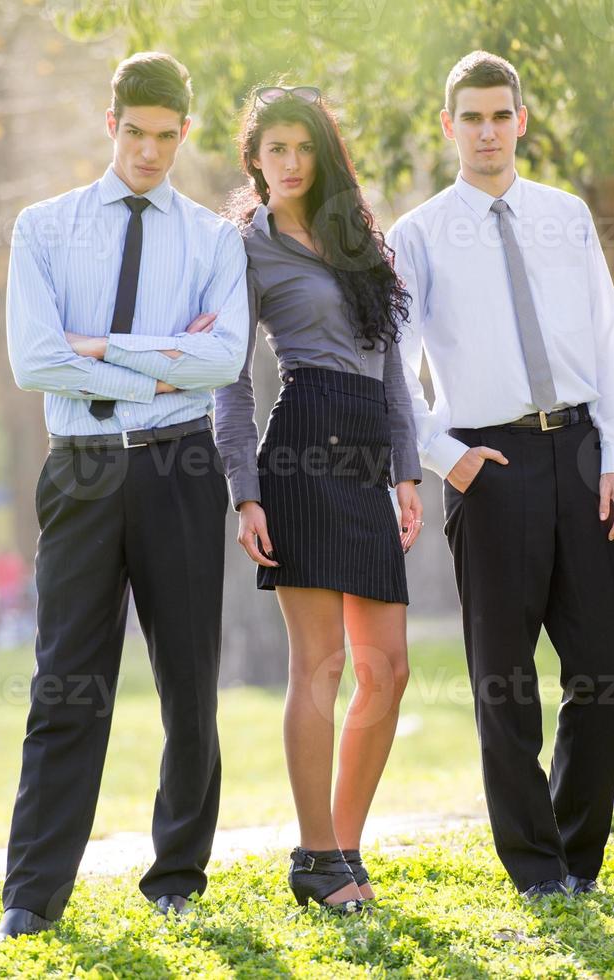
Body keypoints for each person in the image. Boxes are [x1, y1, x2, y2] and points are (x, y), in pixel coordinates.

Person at [0, 52, 248, 940]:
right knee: (66, 683)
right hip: (84, 467)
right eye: (135, 133)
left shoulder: (214, 240)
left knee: (189, 683)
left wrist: (99, 350)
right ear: (111, 126)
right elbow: (35, 359)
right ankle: (31, 896)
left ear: (186, 133)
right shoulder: (45, 228)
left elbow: (224, 362)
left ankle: (177, 876)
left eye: (166, 137)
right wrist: (160, 358)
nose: (149, 152)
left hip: (180, 469)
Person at [389, 51, 614, 899]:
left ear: (521, 121)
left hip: (580, 453)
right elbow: (396, 365)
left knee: (604, 660)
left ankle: (577, 853)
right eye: (472, 118)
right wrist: (444, 455)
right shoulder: (417, 235)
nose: (488, 131)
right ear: (450, 126)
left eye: (501, 115)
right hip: (488, 465)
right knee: (506, 678)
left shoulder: (566, 216)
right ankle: (534, 869)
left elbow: (609, 343)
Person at [215, 85, 423, 913]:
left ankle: (341, 846)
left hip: (368, 452)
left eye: (304, 148)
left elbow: (392, 364)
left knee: (390, 668)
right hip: (299, 446)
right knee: (322, 665)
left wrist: (406, 472)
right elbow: (229, 380)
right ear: (255, 162)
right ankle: (316, 854)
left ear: (322, 153)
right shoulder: (245, 249)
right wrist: (245, 492)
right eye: (276, 151)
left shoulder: (356, 238)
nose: (291, 164)